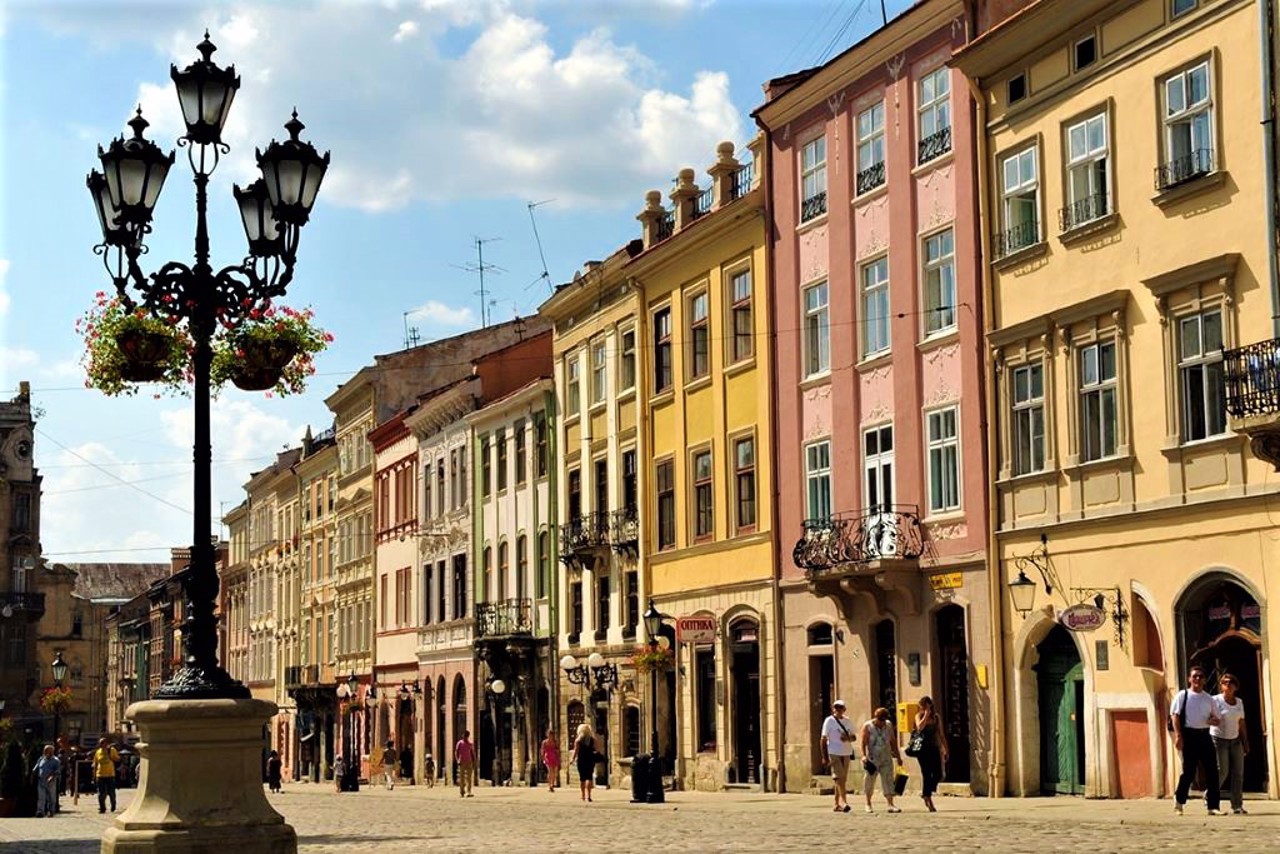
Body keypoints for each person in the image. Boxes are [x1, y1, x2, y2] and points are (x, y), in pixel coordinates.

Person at [1172, 666, 1223, 815]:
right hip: (1189, 735)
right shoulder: (1183, 695)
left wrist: (1213, 720)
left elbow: (1218, 718)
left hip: (1204, 734)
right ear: (1189, 679)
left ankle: (1213, 806)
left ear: (1205, 680)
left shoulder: (1209, 698)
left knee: (1212, 770)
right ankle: (1179, 800)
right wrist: (1178, 736)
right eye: (1194, 676)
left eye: (1200, 676)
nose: (1197, 679)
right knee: (1189, 770)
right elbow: (1175, 716)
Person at [1212, 672, 1249, 815]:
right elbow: (1207, 716)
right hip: (1219, 739)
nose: (1228, 684)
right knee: (1223, 770)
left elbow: (1241, 722)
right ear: (1221, 686)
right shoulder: (1215, 700)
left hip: (1235, 740)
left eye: (1230, 682)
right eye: (1224, 682)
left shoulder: (1239, 702)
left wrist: (1245, 742)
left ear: (1236, 686)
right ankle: (1211, 793)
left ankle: (1237, 805)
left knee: (1238, 773)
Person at [860, 707, 902, 814]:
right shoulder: (868, 726)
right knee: (869, 780)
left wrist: (898, 757)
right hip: (872, 758)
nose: (882, 722)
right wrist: (863, 756)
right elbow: (863, 742)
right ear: (876, 717)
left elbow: (893, 741)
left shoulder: (888, 725)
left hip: (886, 756)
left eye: (883, 719)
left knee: (888, 780)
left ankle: (890, 804)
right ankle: (868, 803)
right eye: (880, 719)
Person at [819, 699, 855, 813]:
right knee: (839, 777)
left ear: (844, 709)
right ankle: (844, 802)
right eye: (836, 707)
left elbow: (854, 737)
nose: (838, 710)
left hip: (846, 752)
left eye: (840, 707)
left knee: (841, 779)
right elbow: (823, 739)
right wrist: (824, 756)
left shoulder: (848, 721)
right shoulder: (829, 721)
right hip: (833, 752)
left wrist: (847, 738)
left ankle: (836, 803)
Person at [914, 696, 948, 813]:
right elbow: (919, 728)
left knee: (938, 774)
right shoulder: (918, 716)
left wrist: (945, 749)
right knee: (927, 774)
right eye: (922, 706)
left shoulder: (936, 717)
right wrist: (926, 715)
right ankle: (928, 799)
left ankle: (926, 793)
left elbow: (941, 734)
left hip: (934, 748)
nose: (923, 708)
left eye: (926, 706)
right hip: (922, 750)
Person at [569, 723, 599, 802]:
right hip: (590, 760)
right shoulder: (592, 740)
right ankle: (589, 795)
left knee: (582, 779)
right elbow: (596, 749)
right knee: (589, 777)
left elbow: (576, 751)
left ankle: (583, 795)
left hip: (581, 760)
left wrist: (572, 759)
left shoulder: (578, 741)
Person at [93, 737, 120, 814]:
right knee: (101, 793)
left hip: (110, 775)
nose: (102, 745)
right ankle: (102, 808)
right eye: (100, 743)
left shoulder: (111, 750)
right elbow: (95, 764)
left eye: (103, 743)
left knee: (111, 792)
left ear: (106, 743)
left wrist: (112, 757)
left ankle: (113, 805)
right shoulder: (98, 752)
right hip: (100, 775)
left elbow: (118, 759)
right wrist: (94, 775)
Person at [33, 744, 60, 818]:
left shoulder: (56, 760)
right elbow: (36, 767)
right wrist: (34, 772)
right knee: (41, 797)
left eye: (47, 750)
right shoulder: (41, 759)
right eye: (44, 750)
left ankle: (51, 811)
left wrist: (52, 777)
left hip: (51, 781)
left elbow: (57, 771)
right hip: (41, 780)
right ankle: (40, 811)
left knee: (51, 798)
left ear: (52, 751)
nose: (45, 752)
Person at [455, 730, 476, 797]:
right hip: (462, 762)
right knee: (462, 778)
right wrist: (457, 760)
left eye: (466, 735)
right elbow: (456, 752)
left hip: (469, 762)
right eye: (464, 735)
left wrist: (474, 761)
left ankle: (468, 791)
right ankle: (462, 791)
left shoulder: (470, 744)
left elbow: (472, 753)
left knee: (469, 778)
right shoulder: (460, 743)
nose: (465, 737)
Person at [541, 728, 561, 792]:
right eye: (549, 734)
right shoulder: (544, 742)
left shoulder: (555, 742)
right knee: (550, 771)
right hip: (548, 757)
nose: (550, 736)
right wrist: (543, 758)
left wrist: (558, 755)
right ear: (547, 735)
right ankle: (549, 785)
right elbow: (542, 750)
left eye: (551, 735)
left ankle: (552, 784)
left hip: (554, 757)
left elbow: (558, 750)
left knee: (554, 772)